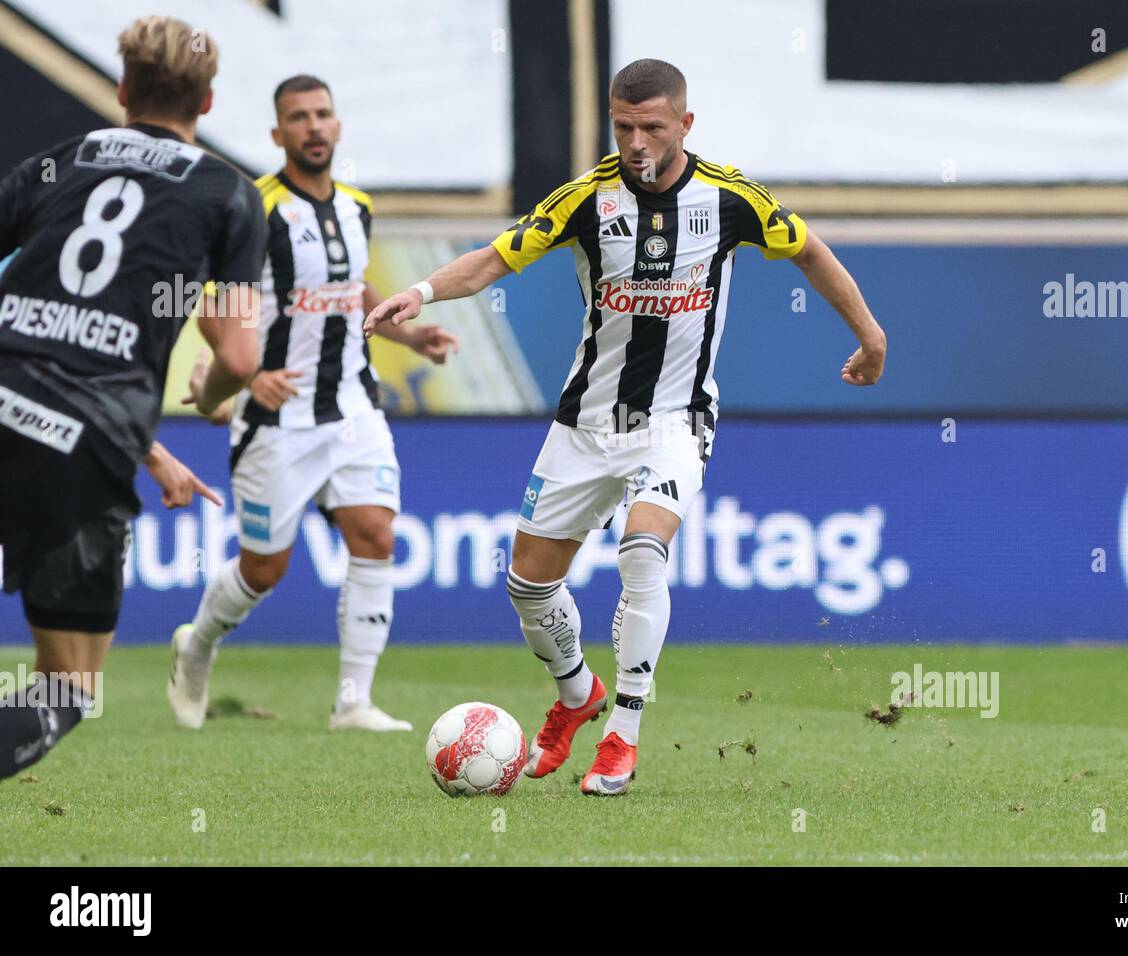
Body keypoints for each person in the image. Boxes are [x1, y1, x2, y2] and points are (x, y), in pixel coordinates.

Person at [365, 59, 886, 794]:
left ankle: (623, 737)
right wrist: (419, 292)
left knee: (642, 551)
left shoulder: (730, 198)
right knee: (526, 588)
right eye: (623, 126)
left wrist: (869, 335)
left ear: (685, 124)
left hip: (675, 421)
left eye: (652, 126)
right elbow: (492, 261)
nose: (636, 141)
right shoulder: (587, 198)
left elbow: (809, 250)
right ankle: (579, 697)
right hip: (585, 424)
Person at [0, 15, 264, 779]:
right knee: (68, 684)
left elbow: (56, 344)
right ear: (208, 103)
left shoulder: (62, 161)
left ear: (121, 90)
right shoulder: (228, 195)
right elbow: (241, 355)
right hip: (83, 447)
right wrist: (208, 390)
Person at [168, 75, 460, 732]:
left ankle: (353, 702)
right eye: (298, 117)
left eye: (323, 114)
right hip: (277, 416)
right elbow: (213, 306)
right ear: (278, 134)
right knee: (265, 568)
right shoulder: (255, 208)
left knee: (376, 534)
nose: (313, 126)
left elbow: (349, 289)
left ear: (338, 124)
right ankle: (198, 646)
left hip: (353, 407)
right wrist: (252, 374)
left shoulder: (356, 207)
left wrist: (408, 332)